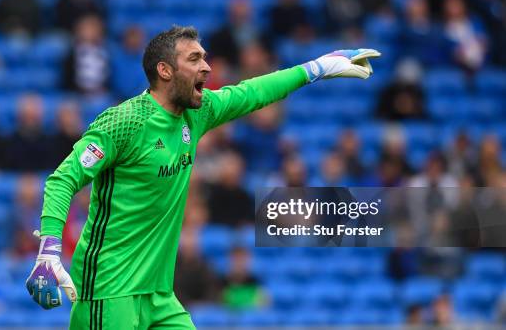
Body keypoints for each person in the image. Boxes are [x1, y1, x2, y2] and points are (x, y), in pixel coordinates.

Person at [25, 25, 380, 329]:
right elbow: (62, 179)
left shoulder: (197, 114)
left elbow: (253, 93)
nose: (207, 67)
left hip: (159, 294)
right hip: (109, 289)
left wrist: (316, 68)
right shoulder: (123, 123)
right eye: (194, 59)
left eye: (205, 57)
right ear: (165, 71)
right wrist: (49, 250)